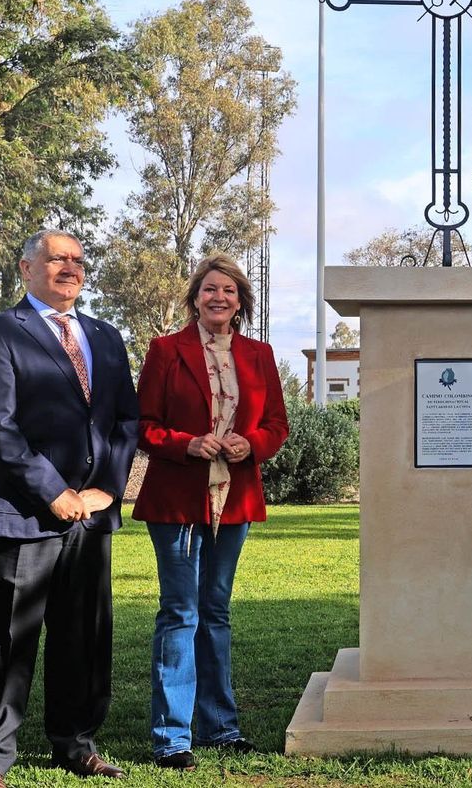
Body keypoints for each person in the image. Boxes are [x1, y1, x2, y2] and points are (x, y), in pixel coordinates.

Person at [0, 229, 139, 788]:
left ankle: (76, 743)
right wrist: (53, 491)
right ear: (26, 267)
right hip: (21, 512)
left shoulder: (105, 336)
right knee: (4, 639)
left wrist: (106, 489)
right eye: (57, 258)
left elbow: (125, 421)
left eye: (78, 260)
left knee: (84, 636)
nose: (70, 267)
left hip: (91, 515)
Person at [132, 255, 288, 771]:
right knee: (181, 613)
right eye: (209, 289)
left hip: (234, 500)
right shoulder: (165, 350)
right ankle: (172, 737)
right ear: (195, 298)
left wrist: (253, 443)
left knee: (215, 612)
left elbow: (277, 425)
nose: (219, 297)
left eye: (229, 290)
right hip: (177, 500)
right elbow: (143, 426)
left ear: (240, 301)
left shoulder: (260, 354)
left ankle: (221, 728)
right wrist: (187, 443)